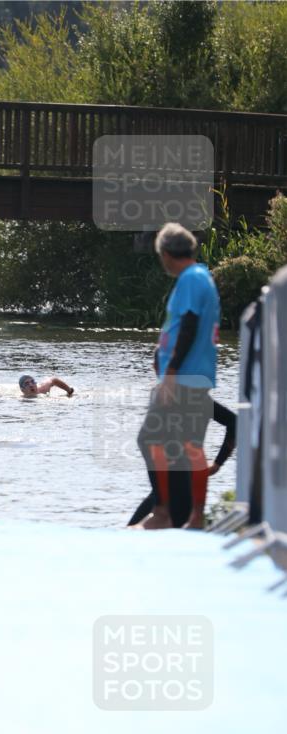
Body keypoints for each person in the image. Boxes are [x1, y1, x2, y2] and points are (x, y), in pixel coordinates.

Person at [137, 222, 220, 530]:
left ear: (166, 253)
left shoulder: (189, 279)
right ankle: (195, 517)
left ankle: (163, 512)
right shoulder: (203, 276)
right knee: (191, 445)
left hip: (183, 377)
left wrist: (170, 374)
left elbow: (188, 324)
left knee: (149, 439)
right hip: (198, 375)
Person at [129, 399, 236, 527]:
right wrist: (218, 463)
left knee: (138, 530)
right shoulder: (202, 400)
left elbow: (145, 439)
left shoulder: (168, 400)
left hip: (173, 476)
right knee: (179, 527)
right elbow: (235, 422)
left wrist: (218, 462)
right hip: (191, 475)